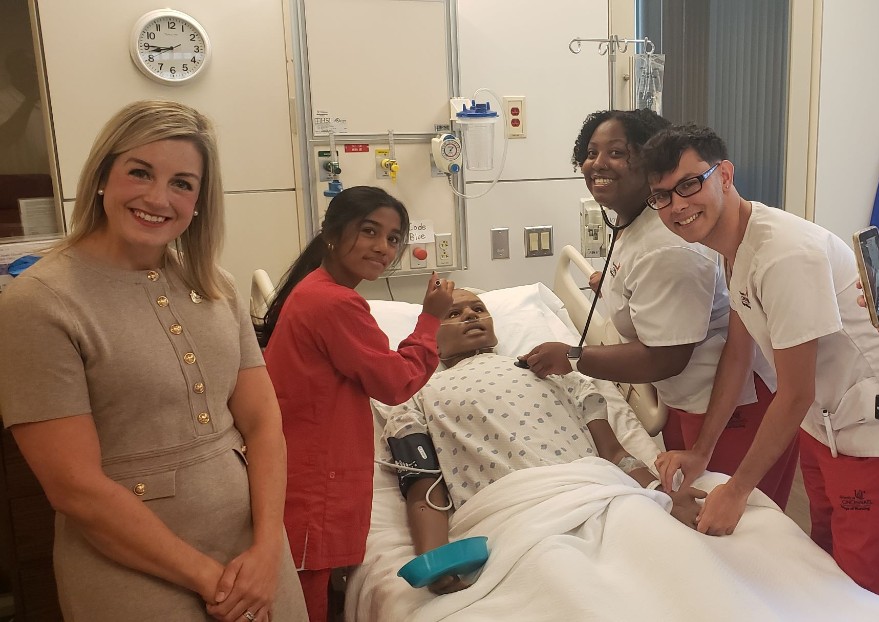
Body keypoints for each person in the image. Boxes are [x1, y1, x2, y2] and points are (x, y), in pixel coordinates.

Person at [0, 100, 305, 621]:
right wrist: (212, 581)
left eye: (182, 183)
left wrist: (268, 549)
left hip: (253, 555)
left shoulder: (216, 287)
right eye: (140, 172)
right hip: (134, 571)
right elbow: (75, 488)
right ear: (102, 177)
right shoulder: (38, 303)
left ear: (200, 200)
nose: (157, 198)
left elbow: (263, 422)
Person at [643, 124, 879, 614]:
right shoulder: (733, 248)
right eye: (660, 197)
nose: (676, 206)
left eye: (688, 184)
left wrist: (738, 489)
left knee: (868, 593)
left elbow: (794, 392)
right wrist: (702, 451)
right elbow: (739, 353)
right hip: (824, 423)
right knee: (824, 569)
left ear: (723, 174)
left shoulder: (781, 254)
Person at [520, 109, 798, 509]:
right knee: (694, 518)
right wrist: (610, 287)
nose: (598, 163)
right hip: (690, 402)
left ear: (647, 163)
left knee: (742, 527)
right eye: (591, 152)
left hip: (732, 409)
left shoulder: (666, 244)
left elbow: (665, 356)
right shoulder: (636, 224)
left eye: (617, 152)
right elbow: (642, 285)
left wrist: (572, 357)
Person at [381, 289, 705, 593]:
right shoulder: (414, 394)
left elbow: (615, 453)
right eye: (454, 313)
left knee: (678, 571)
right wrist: (435, 560)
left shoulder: (553, 368)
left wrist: (663, 494)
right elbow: (423, 487)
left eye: (478, 309)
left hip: (599, 495)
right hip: (513, 517)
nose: (471, 315)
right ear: (431, 338)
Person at [257, 185, 455, 621]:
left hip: (302, 471)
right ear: (331, 233)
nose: (383, 247)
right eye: (370, 232)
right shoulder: (334, 302)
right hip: (312, 483)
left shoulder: (313, 290)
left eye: (393, 238)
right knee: (301, 607)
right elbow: (395, 381)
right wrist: (431, 321)